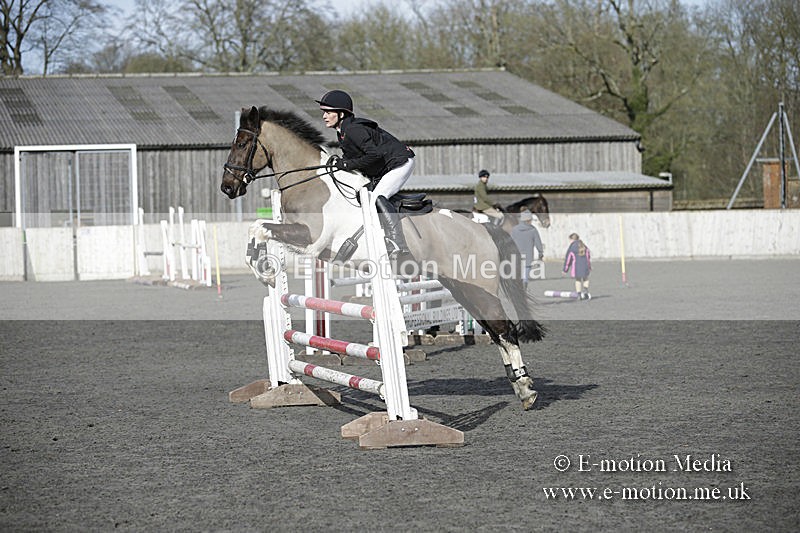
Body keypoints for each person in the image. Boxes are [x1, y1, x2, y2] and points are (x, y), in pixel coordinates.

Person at [316, 90, 415, 257]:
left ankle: (399, 245)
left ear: (340, 114)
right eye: (324, 112)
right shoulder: (343, 132)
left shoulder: (353, 130)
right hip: (385, 166)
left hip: (400, 162)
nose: (324, 116)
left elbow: (374, 154)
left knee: (376, 198)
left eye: (328, 112)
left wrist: (346, 164)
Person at [510, 208, 544, 289]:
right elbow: (538, 243)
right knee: (526, 273)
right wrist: (540, 252)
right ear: (528, 220)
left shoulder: (514, 230)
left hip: (516, 255)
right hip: (528, 256)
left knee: (517, 273)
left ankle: (518, 285)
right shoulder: (533, 230)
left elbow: (510, 242)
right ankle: (524, 284)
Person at [563, 232, 591, 300]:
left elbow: (568, 259)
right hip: (585, 265)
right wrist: (589, 266)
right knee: (585, 278)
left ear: (572, 239)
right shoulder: (584, 246)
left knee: (578, 280)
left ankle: (579, 294)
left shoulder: (572, 247)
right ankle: (586, 291)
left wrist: (565, 269)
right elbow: (588, 257)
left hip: (576, 267)